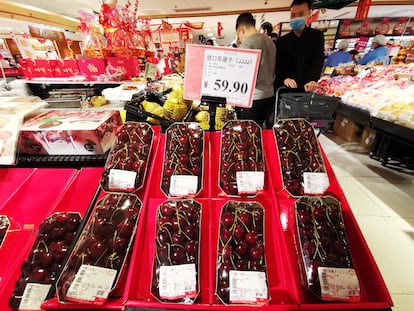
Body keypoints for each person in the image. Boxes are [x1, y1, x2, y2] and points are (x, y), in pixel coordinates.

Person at [235, 12, 276, 128]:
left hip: (254, 99)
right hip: (269, 96)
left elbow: (242, 76)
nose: (239, 39)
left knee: (249, 136)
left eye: (238, 35)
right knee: (264, 132)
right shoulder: (270, 42)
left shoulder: (247, 44)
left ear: (241, 30)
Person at [275, 0, 325, 92]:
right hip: (286, 90)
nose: (296, 18)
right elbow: (279, 65)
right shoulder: (282, 41)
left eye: (300, 14)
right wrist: (285, 78)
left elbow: (318, 59)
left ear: (309, 13)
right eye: (293, 15)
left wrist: (313, 80)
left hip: (308, 89)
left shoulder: (316, 36)